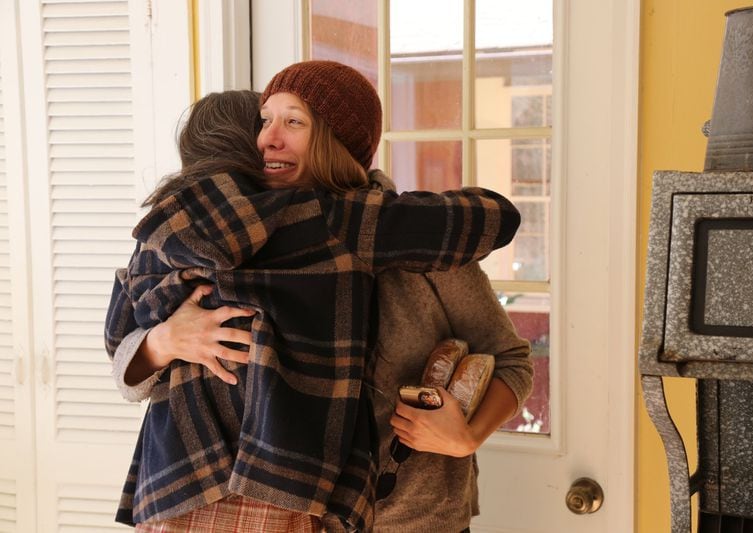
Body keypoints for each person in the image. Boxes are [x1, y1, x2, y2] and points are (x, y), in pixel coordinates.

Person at [105, 62, 522, 533]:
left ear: (334, 138)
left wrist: (466, 437)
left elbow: (511, 359)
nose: (269, 139)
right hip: (283, 512)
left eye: (294, 121)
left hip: (411, 516)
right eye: (264, 122)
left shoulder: (418, 244)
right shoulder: (221, 244)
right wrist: (164, 341)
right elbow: (127, 375)